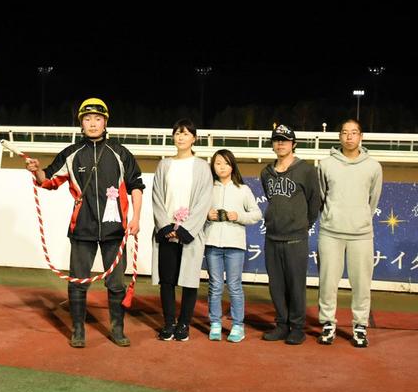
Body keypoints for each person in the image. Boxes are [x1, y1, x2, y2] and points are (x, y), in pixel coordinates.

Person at [25, 98, 144, 348]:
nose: (92, 124)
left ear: (105, 122)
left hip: (115, 230)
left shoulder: (121, 153)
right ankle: (78, 330)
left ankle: (117, 329)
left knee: (116, 283)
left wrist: (136, 217)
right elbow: (48, 180)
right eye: (87, 119)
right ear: (81, 123)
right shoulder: (71, 154)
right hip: (82, 229)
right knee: (78, 281)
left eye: (97, 119)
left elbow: (136, 186)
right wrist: (36, 170)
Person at [317, 119, 382, 347]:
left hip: (361, 234)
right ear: (339, 137)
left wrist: (361, 219)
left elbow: (373, 200)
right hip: (330, 233)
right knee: (327, 282)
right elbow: (322, 195)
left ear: (361, 136)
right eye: (345, 133)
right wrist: (333, 216)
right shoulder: (326, 164)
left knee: (362, 284)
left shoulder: (373, 167)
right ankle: (328, 323)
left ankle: (360, 326)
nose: (349, 137)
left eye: (354, 133)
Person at [151, 119, 213, 342]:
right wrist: (166, 226)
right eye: (177, 133)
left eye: (186, 133)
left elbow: (204, 201)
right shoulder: (164, 165)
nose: (181, 137)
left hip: (190, 234)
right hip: (166, 232)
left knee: (189, 280)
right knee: (167, 280)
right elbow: (157, 197)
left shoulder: (202, 167)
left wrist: (185, 230)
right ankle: (169, 323)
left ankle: (184, 324)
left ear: (194, 138)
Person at [260, 124, 321, 345]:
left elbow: (314, 202)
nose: (280, 144)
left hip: (296, 238)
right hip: (272, 237)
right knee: (276, 285)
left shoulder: (306, 170)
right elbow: (271, 198)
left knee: (296, 286)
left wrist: (303, 225)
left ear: (293, 144)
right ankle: (281, 325)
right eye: (277, 140)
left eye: (285, 140)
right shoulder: (266, 172)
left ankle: (297, 327)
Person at [204, 149, 262, 342]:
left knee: (234, 285)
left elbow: (256, 214)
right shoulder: (207, 188)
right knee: (215, 285)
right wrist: (207, 215)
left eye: (226, 163)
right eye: (218, 163)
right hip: (212, 243)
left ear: (232, 166)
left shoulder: (242, 189)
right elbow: (196, 212)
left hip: (235, 245)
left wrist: (239, 216)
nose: (222, 167)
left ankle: (238, 325)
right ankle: (215, 323)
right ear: (213, 166)